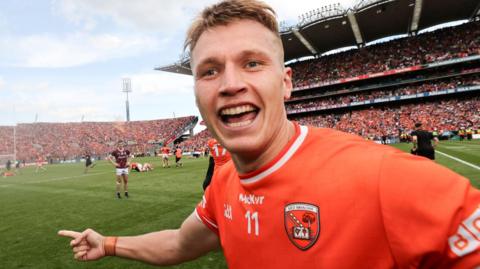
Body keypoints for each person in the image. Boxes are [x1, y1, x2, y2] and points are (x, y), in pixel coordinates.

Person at [58, 1, 480, 268]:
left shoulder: (388, 178)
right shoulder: (224, 183)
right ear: (198, 92)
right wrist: (109, 243)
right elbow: (178, 244)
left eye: (253, 63)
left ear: (286, 83)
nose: (230, 84)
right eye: (209, 70)